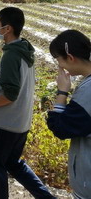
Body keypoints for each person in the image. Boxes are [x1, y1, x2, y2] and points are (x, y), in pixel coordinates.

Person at [0, 7, 55, 199]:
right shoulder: (25, 50)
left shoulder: (11, 55)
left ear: (7, 28)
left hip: (4, 123)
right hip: (21, 123)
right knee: (13, 163)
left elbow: (10, 95)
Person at [46, 30, 91, 199]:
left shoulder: (88, 92)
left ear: (70, 58)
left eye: (58, 60)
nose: (59, 65)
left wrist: (62, 92)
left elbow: (60, 127)